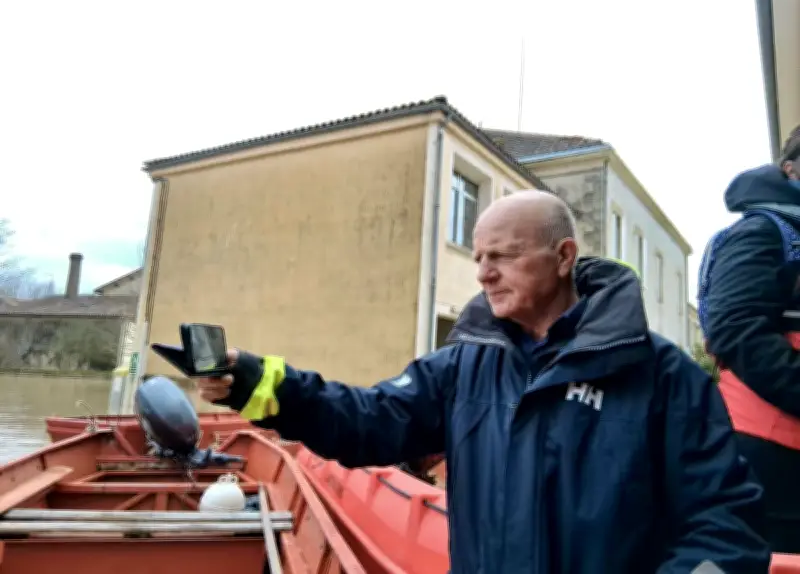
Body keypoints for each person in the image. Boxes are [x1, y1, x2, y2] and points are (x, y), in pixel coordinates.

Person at [198, 190, 770, 573]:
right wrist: (260, 386)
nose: (483, 273)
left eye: (503, 256)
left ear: (563, 256)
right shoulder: (462, 366)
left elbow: (725, 524)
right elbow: (367, 421)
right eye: (478, 257)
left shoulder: (664, 376)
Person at [699, 126, 800, 553]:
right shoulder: (763, 231)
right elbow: (734, 326)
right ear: (790, 169)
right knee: (746, 555)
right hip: (768, 448)